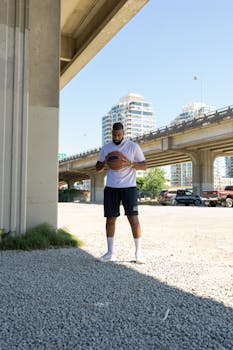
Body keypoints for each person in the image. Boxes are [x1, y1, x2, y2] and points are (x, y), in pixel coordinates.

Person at [95, 122, 147, 263]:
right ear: (111, 133)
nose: (116, 137)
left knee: (133, 219)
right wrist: (105, 161)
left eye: (119, 134)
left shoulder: (133, 147)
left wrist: (130, 164)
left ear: (123, 133)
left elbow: (144, 165)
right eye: (114, 134)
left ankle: (138, 253)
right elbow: (97, 168)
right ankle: (110, 252)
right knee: (110, 219)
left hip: (129, 187)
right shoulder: (106, 148)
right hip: (111, 187)